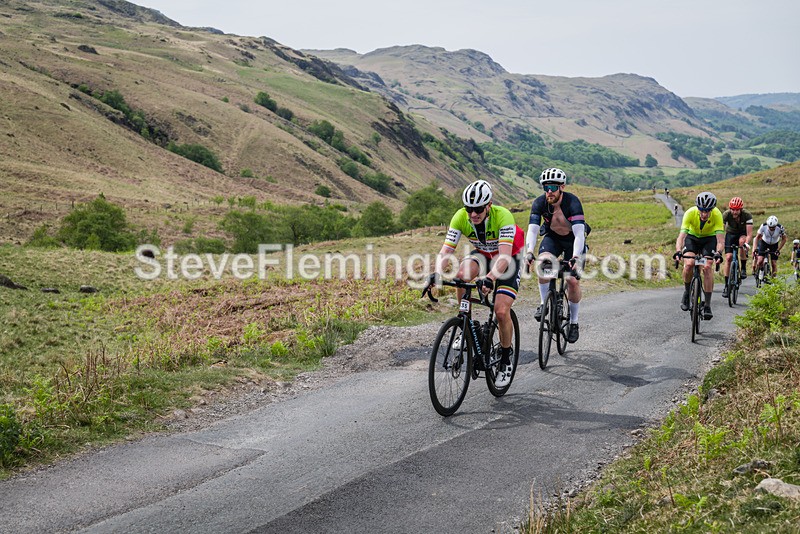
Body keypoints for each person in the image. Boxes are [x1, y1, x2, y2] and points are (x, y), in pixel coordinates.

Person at [431, 180, 525, 387]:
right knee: (461, 276)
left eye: (478, 209)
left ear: (489, 205)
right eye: (469, 209)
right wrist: (436, 273)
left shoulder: (503, 216)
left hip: (509, 258)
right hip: (483, 254)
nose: (473, 214)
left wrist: (490, 278)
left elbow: (504, 258)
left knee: (501, 311)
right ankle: (467, 324)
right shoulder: (460, 217)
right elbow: (446, 250)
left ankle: (506, 359)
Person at [525, 168, 590, 343]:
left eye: (553, 187)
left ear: (562, 187)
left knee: (572, 280)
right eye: (545, 187)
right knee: (543, 265)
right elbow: (532, 231)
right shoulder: (539, 203)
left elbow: (579, 234)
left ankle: (574, 322)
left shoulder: (572, 202)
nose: (549, 191)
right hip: (553, 238)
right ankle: (542, 304)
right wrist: (529, 252)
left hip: (572, 242)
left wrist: (576, 257)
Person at [674, 192, 724, 319]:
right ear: (698, 208)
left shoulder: (717, 215)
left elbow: (720, 240)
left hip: (709, 239)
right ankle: (686, 292)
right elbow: (682, 236)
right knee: (689, 264)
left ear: (712, 210)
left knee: (707, 268)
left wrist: (718, 253)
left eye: (707, 211)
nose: (704, 214)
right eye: (702, 210)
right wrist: (679, 251)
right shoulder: (690, 213)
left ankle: (707, 304)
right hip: (692, 238)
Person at [721, 196, 753, 298]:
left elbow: (749, 233)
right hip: (730, 234)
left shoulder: (747, 215)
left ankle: (743, 267)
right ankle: (726, 285)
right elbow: (721, 230)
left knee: (742, 242)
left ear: (741, 209)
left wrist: (747, 243)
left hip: (742, 234)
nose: (735, 212)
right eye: (733, 210)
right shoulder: (726, 214)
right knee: (729, 258)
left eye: (737, 210)